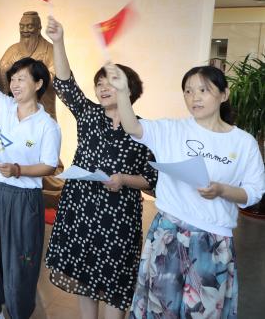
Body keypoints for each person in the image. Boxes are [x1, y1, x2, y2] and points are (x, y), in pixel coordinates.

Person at [106, 63, 265, 319]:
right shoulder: (172, 130)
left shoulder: (243, 143)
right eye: (188, 91)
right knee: (160, 309)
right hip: (168, 232)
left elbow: (254, 192)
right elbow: (133, 127)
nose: (194, 97)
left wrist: (221, 190)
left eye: (203, 90)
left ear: (224, 94)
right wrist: (123, 91)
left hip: (212, 240)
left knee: (202, 312)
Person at [42, 16, 157, 319]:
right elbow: (65, 85)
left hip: (119, 216)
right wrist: (58, 41)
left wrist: (123, 179)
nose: (102, 87)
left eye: (110, 82)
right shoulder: (89, 115)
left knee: (116, 280)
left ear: (129, 89)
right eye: (99, 83)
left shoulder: (144, 130)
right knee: (85, 278)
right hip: (81, 208)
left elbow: (151, 178)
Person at [0, 21, 61, 319]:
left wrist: (18, 169)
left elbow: (48, 165)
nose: (15, 84)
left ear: (38, 84)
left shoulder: (47, 125)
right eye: (13, 79)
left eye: (22, 79)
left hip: (23, 198)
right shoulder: (3, 106)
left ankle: (18, 312)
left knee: (21, 259)